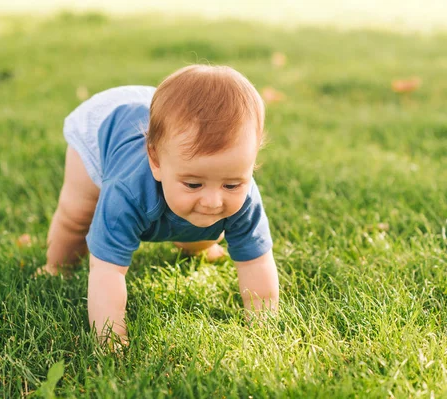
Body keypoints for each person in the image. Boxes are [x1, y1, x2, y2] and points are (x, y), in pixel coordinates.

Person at [41, 65, 280, 344]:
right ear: (155, 162)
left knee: (204, 219)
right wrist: (110, 338)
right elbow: (107, 271)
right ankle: (55, 266)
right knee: (77, 215)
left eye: (231, 184)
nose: (214, 201)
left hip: (163, 124)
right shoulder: (126, 192)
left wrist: (264, 327)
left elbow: (256, 261)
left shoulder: (245, 196)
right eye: (193, 184)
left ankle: (195, 244)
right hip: (106, 126)